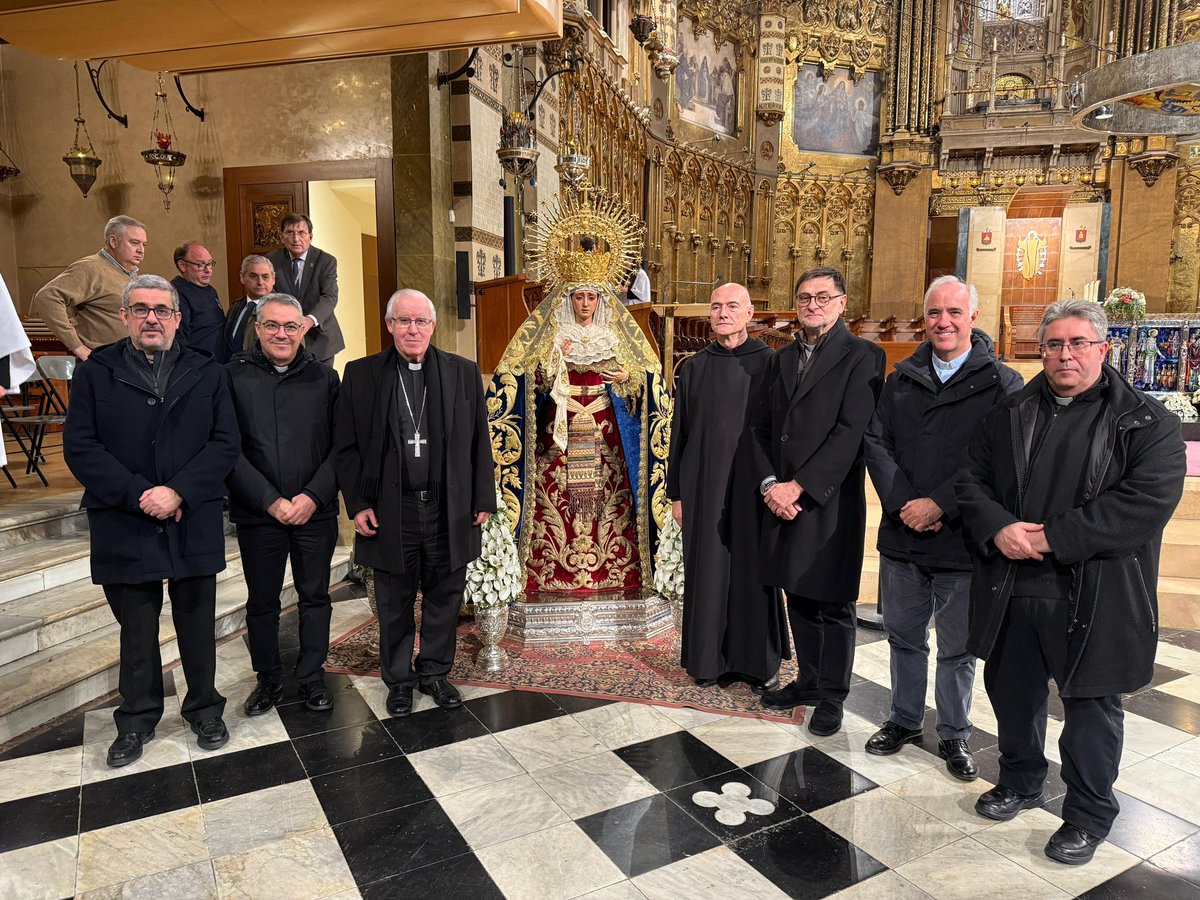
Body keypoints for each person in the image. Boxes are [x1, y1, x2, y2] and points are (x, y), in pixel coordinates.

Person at [957, 299, 1186, 866]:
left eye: (1079, 343)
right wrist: (999, 527)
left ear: (1103, 350)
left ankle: (1087, 816)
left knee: (1089, 713)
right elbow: (971, 481)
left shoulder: (1146, 422)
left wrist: (1048, 537)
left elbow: (1142, 505)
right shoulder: (1010, 411)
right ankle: (1020, 781)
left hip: (1095, 592)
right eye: (1055, 344)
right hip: (1013, 585)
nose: (1066, 355)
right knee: (1012, 698)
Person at [63, 274, 239, 767]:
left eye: (162, 310)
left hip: (191, 513)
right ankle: (137, 719)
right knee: (136, 627)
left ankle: (204, 709)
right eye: (140, 310)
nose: (151, 319)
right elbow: (80, 446)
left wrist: (178, 489)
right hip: (125, 516)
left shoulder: (208, 371)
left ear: (178, 318)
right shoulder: (97, 370)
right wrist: (141, 493)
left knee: (197, 621)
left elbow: (225, 443)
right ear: (125, 317)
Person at [862, 276, 1022, 780]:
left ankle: (954, 734)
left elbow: (1000, 460)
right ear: (925, 317)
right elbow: (876, 443)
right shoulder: (901, 377)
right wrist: (907, 502)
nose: (943, 322)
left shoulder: (1003, 383)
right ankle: (905, 720)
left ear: (974, 318)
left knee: (957, 647)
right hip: (904, 532)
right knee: (904, 637)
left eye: (954, 312)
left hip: (963, 537)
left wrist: (940, 504)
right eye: (934, 313)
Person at [334, 289, 494, 717]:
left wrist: (482, 497)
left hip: (448, 506)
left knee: (445, 595)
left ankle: (436, 673)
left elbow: (480, 439)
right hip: (391, 508)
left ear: (433, 325)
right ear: (389, 325)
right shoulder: (362, 375)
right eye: (403, 321)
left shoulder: (462, 373)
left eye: (421, 321)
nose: (413, 330)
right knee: (394, 600)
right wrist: (359, 503)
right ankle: (400, 681)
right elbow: (346, 447)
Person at [753, 265, 885, 735]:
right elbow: (760, 428)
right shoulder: (780, 359)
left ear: (842, 302)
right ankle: (808, 680)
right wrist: (770, 484)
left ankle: (832, 695)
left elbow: (851, 433)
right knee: (798, 594)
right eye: (805, 297)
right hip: (782, 497)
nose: (813, 304)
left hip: (827, 498)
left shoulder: (864, 355)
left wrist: (800, 486)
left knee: (832, 601)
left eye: (823, 297)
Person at [667, 283, 788, 690]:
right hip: (702, 486)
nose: (723, 313)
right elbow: (678, 434)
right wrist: (676, 494)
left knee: (752, 571)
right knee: (708, 570)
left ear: (749, 312)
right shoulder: (695, 366)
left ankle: (757, 664)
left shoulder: (770, 363)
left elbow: (778, 431)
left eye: (732, 306)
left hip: (754, 485)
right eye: (716, 307)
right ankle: (708, 662)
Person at [226, 293, 341, 715]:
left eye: (290, 326)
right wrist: (270, 501)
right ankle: (268, 679)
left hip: (315, 511)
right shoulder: (232, 377)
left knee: (315, 597)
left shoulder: (325, 379)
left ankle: (312, 677)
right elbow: (228, 449)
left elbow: (342, 447)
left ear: (303, 330)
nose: (281, 334)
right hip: (260, 513)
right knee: (262, 601)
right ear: (257, 329)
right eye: (272, 325)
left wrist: (312, 496)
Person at [34, 215, 145, 361]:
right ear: (113, 241)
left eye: (144, 244)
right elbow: (47, 297)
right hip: (102, 363)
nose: (141, 250)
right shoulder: (90, 268)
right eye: (134, 243)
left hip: (128, 360)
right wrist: (77, 346)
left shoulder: (130, 274)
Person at [267, 213, 345, 365]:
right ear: (282, 237)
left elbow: (329, 297)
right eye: (290, 233)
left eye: (301, 233)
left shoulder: (326, 261)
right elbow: (270, 295)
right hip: (285, 339)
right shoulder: (271, 260)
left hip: (320, 339)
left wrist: (310, 320)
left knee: (322, 386)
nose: (296, 239)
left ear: (310, 236)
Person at [171, 241, 226, 362]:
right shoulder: (176, 293)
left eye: (210, 264)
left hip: (218, 364)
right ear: (182, 265)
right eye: (200, 265)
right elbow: (178, 339)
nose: (208, 270)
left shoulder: (210, 290)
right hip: (198, 366)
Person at [225, 255, 276, 357]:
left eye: (265, 277)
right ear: (242, 277)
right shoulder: (235, 307)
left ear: (273, 279)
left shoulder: (282, 310)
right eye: (253, 276)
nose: (260, 282)